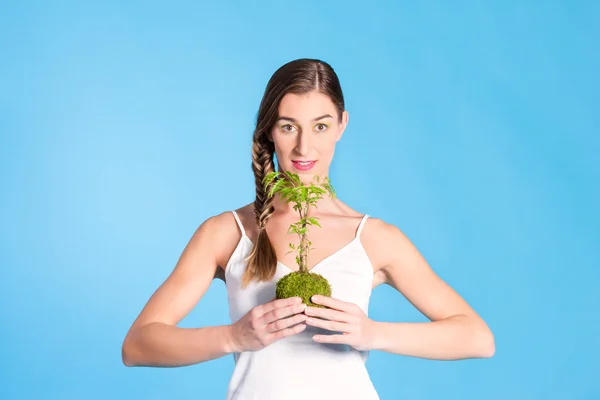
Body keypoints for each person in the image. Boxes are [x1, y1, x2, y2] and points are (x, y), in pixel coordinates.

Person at [121, 58, 495, 400]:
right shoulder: (227, 232)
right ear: (269, 130)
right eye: (289, 127)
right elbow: (137, 345)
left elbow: (477, 337)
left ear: (341, 126)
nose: (304, 147)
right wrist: (234, 336)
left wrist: (374, 333)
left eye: (320, 126)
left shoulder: (374, 238)